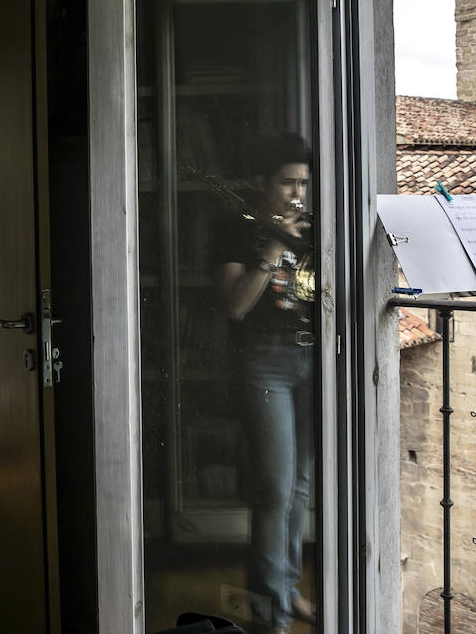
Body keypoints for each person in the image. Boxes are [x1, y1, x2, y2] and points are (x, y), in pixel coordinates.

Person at [211, 134, 318, 634]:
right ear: (262, 184)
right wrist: (274, 246)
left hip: (312, 361)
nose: (297, 193)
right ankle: (269, 611)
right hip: (265, 364)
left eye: (303, 182)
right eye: (286, 182)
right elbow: (236, 305)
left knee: (299, 487)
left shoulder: (314, 229)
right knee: (275, 491)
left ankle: (286, 589)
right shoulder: (236, 229)